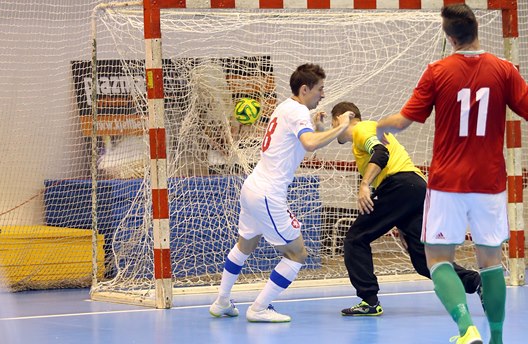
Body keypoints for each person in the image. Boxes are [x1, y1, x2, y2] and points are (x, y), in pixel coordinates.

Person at [376, 4, 528, 344]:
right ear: (477, 31)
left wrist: (379, 125)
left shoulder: (437, 71)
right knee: (490, 261)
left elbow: (403, 121)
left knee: (438, 259)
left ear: (449, 37)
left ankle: (466, 328)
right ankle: (498, 339)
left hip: (448, 183)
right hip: (489, 183)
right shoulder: (504, 70)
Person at [209, 63, 354, 322]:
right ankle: (259, 308)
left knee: (245, 245)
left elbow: (304, 143)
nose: (323, 94)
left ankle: (221, 301)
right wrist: (341, 126)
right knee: (297, 254)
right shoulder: (297, 112)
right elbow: (309, 145)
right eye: (320, 89)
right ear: (305, 89)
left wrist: (320, 129)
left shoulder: (285, 107)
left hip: (253, 187)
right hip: (268, 194)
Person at [330, 101, 481, 317]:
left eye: (334, 121)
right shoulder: (370, 131)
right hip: (416, 188)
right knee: (422, 260)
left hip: (399, 185)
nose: (335, 127)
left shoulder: (362, 129)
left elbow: (381, 154)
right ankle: (476, 282)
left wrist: (364, 185)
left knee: (356, 238)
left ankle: (369, 300)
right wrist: (400, 220)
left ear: (344, 117)